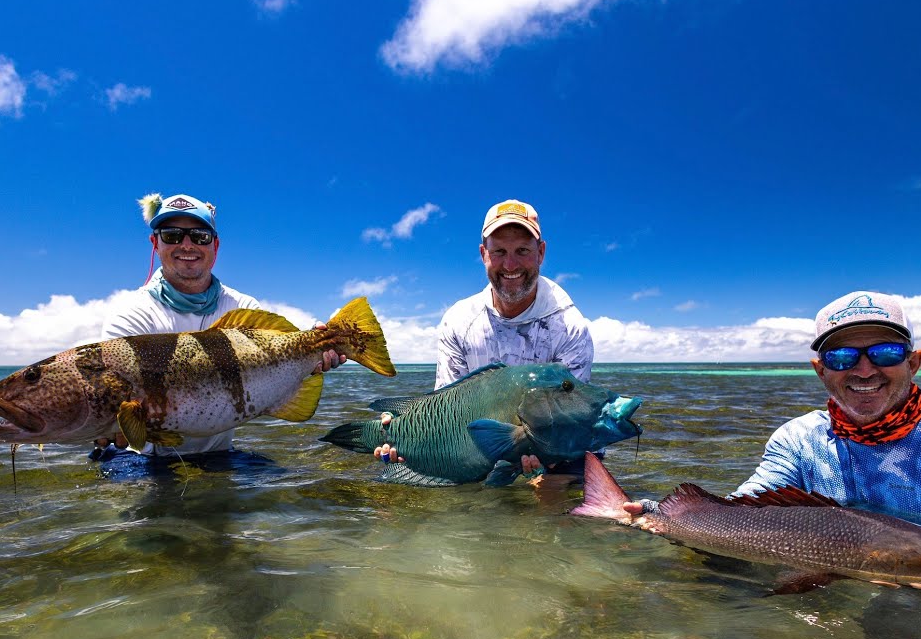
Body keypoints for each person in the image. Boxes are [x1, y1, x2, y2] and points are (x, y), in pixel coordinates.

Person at [625, 290, 921, 577]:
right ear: (821, 369)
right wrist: (652, 512)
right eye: (843, 356)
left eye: (885, 353)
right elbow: (745, 512)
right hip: (829, 571)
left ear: (914, 362)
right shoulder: (798, 439)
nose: (864, 370)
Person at [97, 191, 344, 457]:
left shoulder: (242, 306)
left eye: (200, 237)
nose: (187, 245)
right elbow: (108, 397)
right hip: (141, 460)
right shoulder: (130, 315)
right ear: (155, 243)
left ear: (215, 245)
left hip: (220, 456)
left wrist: (320, 344)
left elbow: (283, 343)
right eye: (172, 235)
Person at [377, 198, 596, 478]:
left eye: (522, 250)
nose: (510, 264)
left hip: (549, 454)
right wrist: (404, 432)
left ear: (541, 253)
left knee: (558, 499)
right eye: (499, 251)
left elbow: (574, 418)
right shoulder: (458, 321)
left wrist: (545, 462)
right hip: (475, 452)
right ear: (483, 254)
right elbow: (443, 411)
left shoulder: (570, 327)